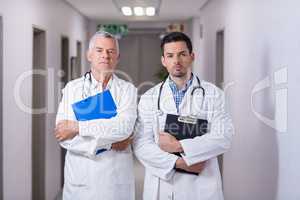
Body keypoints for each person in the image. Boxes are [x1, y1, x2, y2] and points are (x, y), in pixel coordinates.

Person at [133, 32, 234, 200]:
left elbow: (223, 137)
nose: (176, 61)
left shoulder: (213, 94)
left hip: (201, 187)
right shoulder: (149, 97)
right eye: (170, 56)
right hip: (162, 186)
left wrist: (179, 146)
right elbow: (141, 144)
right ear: (163, 60)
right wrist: (180, 163)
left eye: (182, 54)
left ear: (192, 56)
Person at [55, 31, 137, 200]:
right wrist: (110, 143)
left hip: (115, 182)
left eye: (111, 51)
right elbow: (64, 136)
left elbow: (124, 128)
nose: (105, 56)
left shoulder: (128, 90)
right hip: (82, 181)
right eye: (99, 50)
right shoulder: (73, 89)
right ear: (89, 55)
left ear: (117, 57)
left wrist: (78, 127)